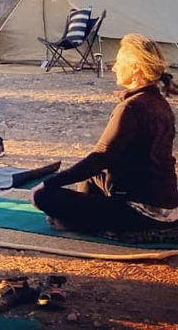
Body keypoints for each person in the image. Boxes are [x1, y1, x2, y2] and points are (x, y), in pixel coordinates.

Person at [32, 34, 178, 234]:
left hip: (141, 210)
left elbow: (99, 157)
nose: (114, 67)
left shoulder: (131, 108)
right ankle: (80, 219)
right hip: (166, 202)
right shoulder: (160, 103)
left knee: (44, 196)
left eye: (119, 62)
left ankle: (82, 223)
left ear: (135, 67)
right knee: (92, 177)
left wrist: (48, 183)